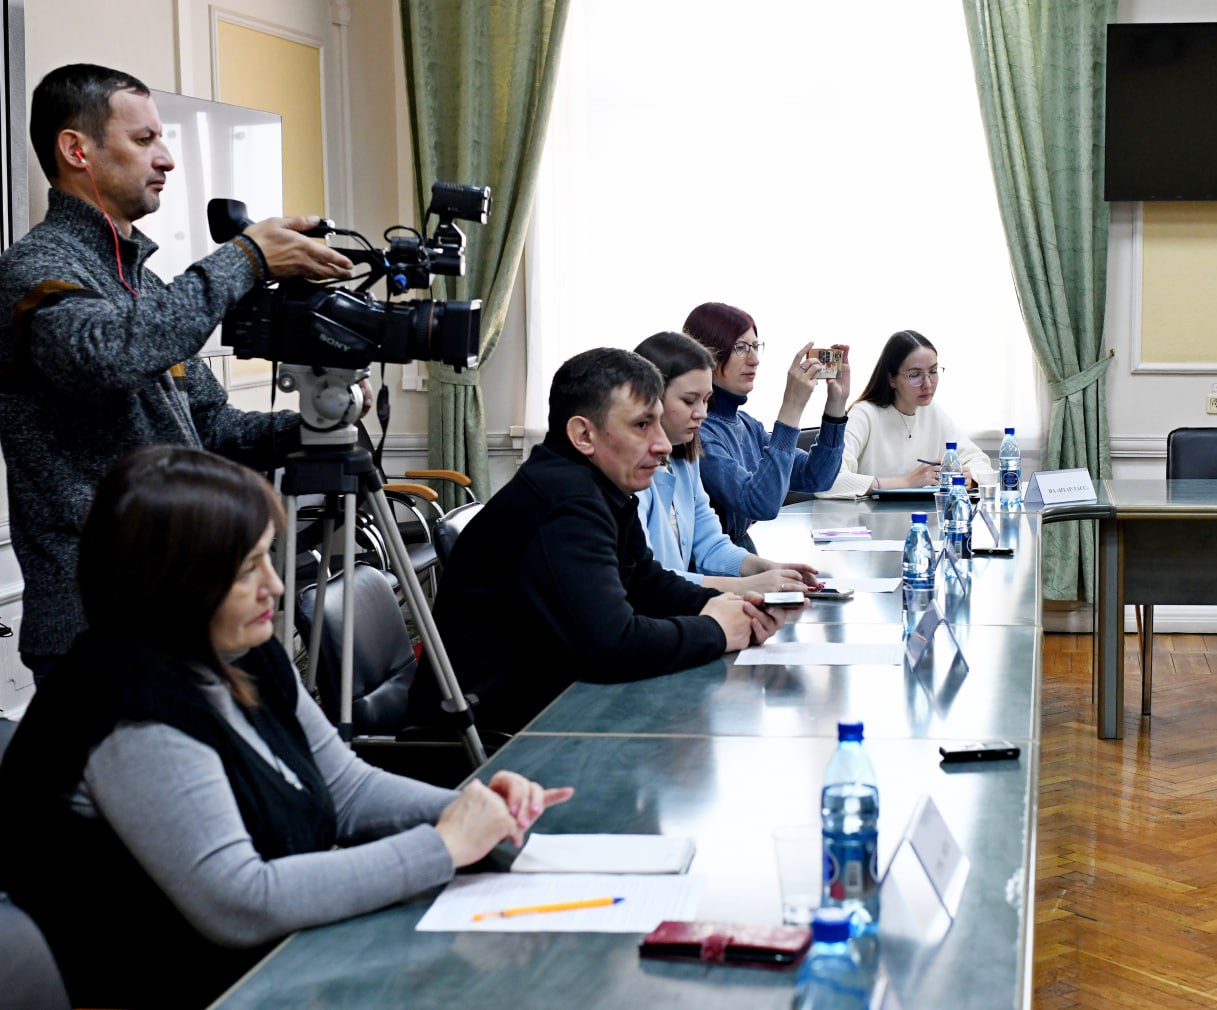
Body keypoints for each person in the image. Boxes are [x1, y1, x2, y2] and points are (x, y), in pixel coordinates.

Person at [0, 446, 572, 1010]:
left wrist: (469, 808)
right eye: (248, 568)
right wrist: (444, 845)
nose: (275, 586)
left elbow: (348, 790)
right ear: (173, 580)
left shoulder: (243, 652)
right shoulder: (128, 704)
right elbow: (241, 901)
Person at [0, 63, 356, 677]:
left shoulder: (145, 282)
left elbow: (210, 428)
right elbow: (107, 354)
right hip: (97, 624)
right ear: (76, 150)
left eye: (162, 139)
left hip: (184, 603)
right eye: (144, 140)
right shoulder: (32, 269)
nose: (165, 158)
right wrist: (246, 258)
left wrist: (317, 425)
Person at [411, 347, 792, 735]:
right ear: (583, 435)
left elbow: (646, 581)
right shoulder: (567, 504)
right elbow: (615, 647)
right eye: (642, 425)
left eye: (658, 422)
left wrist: (728, 607)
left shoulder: (597, 487)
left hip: (541, 709)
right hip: (489, 739)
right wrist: (715, 629)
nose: (663, 444)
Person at [633, 331, 824, 593]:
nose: (702, 413)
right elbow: (649, 581)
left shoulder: (686, 457)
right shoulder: (629, 472)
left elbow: (710, 544)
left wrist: (770, 569)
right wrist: (748, 584)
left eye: (705, 400)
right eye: (689, 401)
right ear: (650, 399)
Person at [682, 301, 851, 550]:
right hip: (717, 567)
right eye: (740, 348)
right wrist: (791, 408)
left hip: (744, 559)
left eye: (755, 346)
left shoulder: (747, 425)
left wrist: (836, 406)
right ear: (707, 356)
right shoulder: (697, 432)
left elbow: (817, 478)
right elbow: (760, 504)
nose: (754, 360)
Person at [816, 329, 993, 498]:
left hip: (922, 517)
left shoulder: (932, 412)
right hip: (868, 518)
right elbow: (826, 482)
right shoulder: (864, 414)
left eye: (933, 371)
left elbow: (980, 462)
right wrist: (907, 482)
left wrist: (969, 478)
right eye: (915, 375)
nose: (928, 384)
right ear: (891, 379)